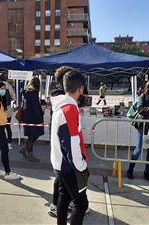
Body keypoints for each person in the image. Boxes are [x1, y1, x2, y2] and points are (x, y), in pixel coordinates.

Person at [48, 66, 91, 218]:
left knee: (64, 198)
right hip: (69, 166)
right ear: (80, 89)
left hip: (60, 162)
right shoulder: (70, 109)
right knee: (81, 204)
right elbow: (71, 144)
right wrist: (81, 166)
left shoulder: (61, 106)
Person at [127, 79, 149, 181]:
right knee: (138, 149)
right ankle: (130, 169)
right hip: (142, 127)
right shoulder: (143, 97)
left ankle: (147, 171)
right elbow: (141, 110)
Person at [0, 81, 21, 180]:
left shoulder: (0, 99)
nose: (4, 90)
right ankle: (8, 172)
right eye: (2, 88)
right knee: (5, 149)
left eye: (5, 89)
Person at [19, 77, 44, 162]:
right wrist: (39, 119)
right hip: (33, 118)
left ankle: (25, 149)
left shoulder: (26, 92)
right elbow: (35, 108)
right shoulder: (33, 94)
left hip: (27, 117)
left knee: (32, 136)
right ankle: (29, 154)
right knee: (33, 136)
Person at [0, 73, 16, 150]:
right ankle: (9, 143)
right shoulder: (9, 85)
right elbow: (13, 97)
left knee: (0, 127)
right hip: (8, 109)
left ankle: (1, 143)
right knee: (8, 127)